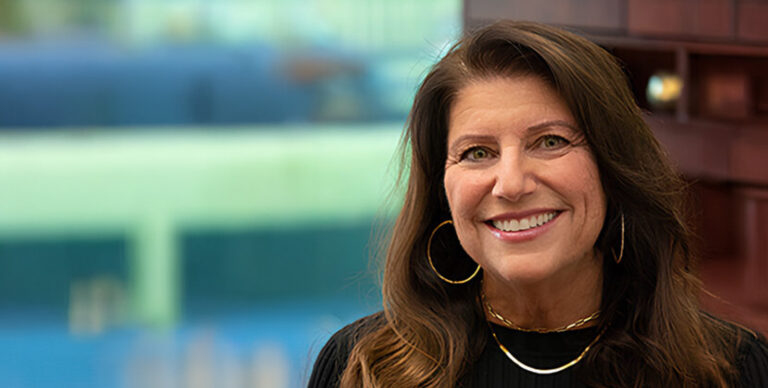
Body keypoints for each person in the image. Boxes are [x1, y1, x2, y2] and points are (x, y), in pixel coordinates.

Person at [308, 21, 768, 387]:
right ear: (441, 192)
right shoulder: (360, 368)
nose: (510, 184)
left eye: (550, 141)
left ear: (615, 170)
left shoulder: (728, 369)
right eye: (477, 153)